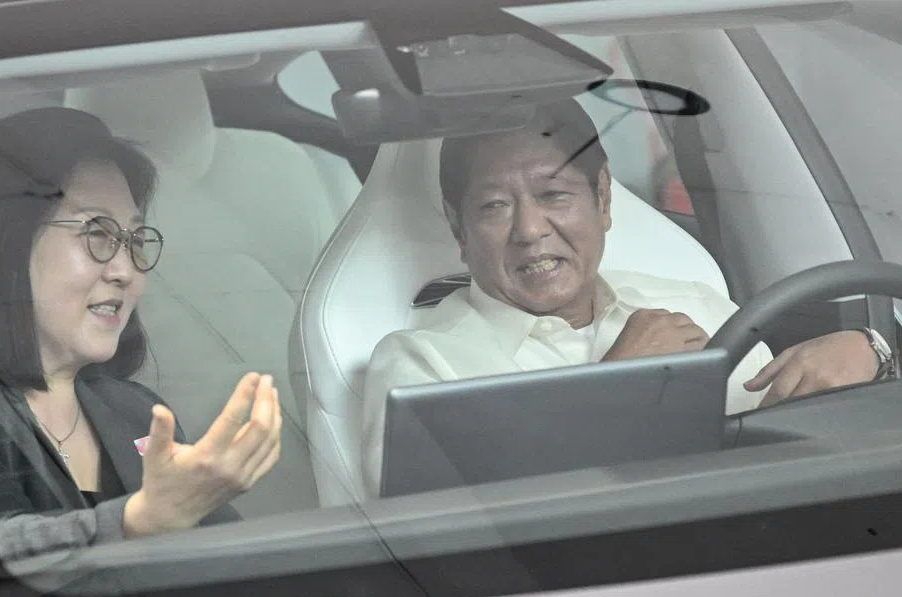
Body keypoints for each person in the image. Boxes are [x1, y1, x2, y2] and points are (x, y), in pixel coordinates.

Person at [360, 99, 890, 498]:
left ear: (603, 199)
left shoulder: (695, 302)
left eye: (554, 195)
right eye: (495, 206)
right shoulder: (423, 365)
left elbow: (786, 439)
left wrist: (872, 357)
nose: (529, 230)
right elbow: (449, 532)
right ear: (459, 229)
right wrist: (619, 385)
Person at [0, 107, 281, 561]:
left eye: (135, 241)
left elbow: (240, 566)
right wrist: (142, 522)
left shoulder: (138, 413)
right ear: (4, 241)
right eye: (97, 233)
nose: (125, 270)